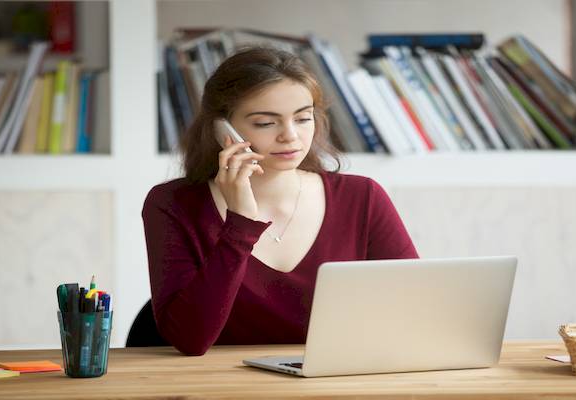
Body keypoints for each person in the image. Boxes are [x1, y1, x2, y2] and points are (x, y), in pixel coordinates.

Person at [142, 46, 418, 356]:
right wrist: (240, 224)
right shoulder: (173, 204)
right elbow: (190, 340)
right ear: (222, 130)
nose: (291, 136)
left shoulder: (362, 197)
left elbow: (414, 311)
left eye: (302, 119)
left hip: (335, 381)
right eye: (265, 123)